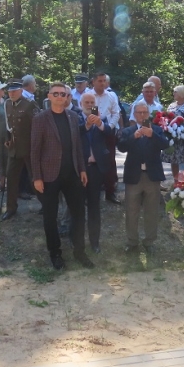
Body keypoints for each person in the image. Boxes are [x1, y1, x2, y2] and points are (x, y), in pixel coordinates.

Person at [31, 82, 92, 270]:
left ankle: (79, 251)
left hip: (72, 173)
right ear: (49, 96)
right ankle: (55, 253)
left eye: (62, 94)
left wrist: (82, 169)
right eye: (55, 93)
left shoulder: (73, 117)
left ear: (67, 97)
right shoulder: (40, 119)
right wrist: (37, 177)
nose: (59, 97)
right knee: (50, 217)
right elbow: (35, 150)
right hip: (49, 176)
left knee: (79, 214)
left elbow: (77, 146)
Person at [119, 100, 170, 254]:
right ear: (134, 115)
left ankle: (149, 242)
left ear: (149, 114)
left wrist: (152, 135)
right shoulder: (128, 131)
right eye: (139, 113)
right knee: (131, 211)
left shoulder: (156, 129)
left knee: (151, 211)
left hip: (152, 176)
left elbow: (165, 145)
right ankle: (132, 242)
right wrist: (133, 137)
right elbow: (121, 147)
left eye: (145, 112)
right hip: (133, 176)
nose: (142, 115)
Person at [78, 90, 115, 253]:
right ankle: (77, 241)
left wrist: (99, 123)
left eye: (92, 103)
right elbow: (76, 133)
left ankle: (95, 242)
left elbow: (110, 134)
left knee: (94, 207)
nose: (89, 105)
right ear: (80, 104)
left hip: (95, 169)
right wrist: (87, 125)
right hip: (79, 169)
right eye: (86, 102)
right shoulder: (75, 118)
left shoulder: (103, 119)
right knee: (77, 207)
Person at [3, 78, 40, 220]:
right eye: (9, 91)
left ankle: (46, 204)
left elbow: (38, 126)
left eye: (14, 91)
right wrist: (7, 139)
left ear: (21, 91)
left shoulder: (30, 104)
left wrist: (37, 145)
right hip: (14, 148)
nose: (11, 94)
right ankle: (11, 208)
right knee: (11, 178)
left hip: (29, 147)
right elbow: (8, 125)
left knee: (35, 178)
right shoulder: (7, 104)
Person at [91, 71, 122, 204]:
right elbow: (88, 112)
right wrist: (96, 125)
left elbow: (116, 113)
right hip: (93, 131)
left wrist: (109, 127)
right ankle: (93, 192)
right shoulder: (89, 95)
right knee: (93, 161)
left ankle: (110, 192)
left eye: (104, 80)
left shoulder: (111, 95)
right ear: (93, 82)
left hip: (108, 132)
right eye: (100, 81)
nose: (103, 83)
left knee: (110, 161)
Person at [167, 84, 184, 179]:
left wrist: (180, 123)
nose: (173, 93)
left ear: (182, 93)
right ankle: (176, 181)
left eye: (175, 92)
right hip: (174, 136)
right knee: (174, 160)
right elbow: (167, 116)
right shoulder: (171, 105)